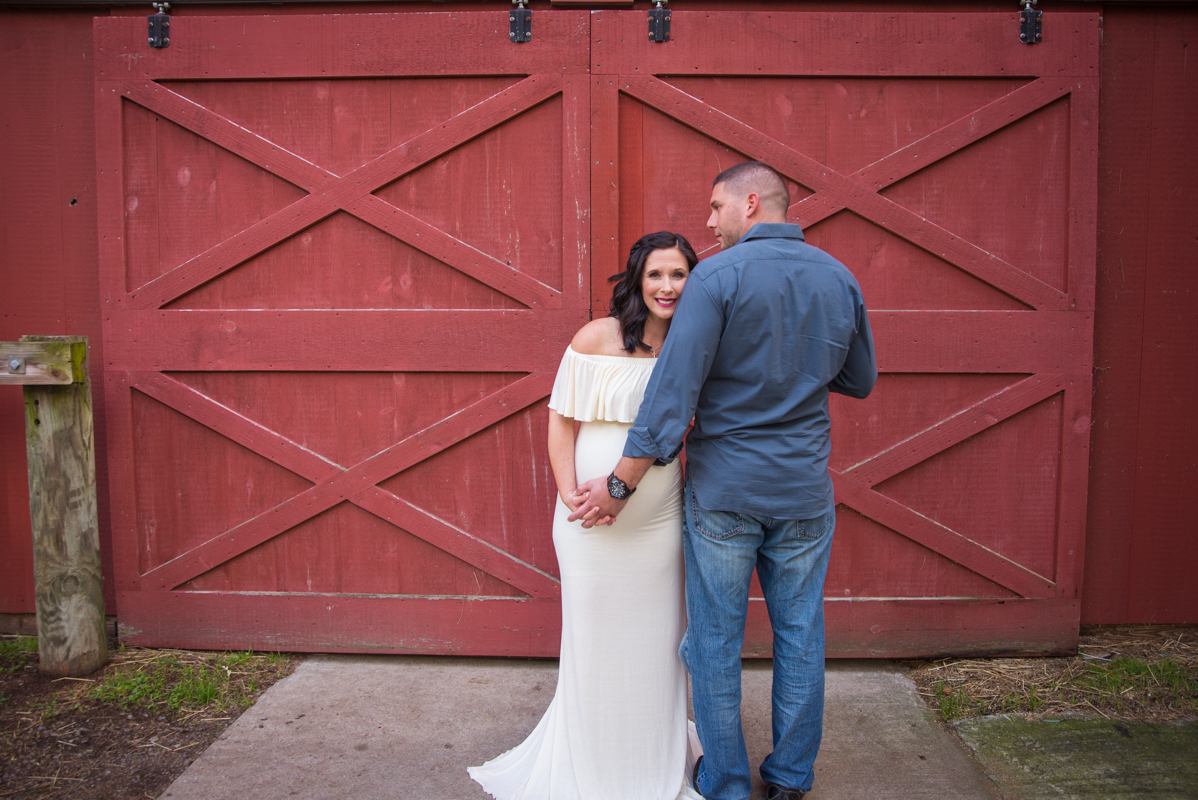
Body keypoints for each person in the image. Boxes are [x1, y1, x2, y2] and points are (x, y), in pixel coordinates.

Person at [569, 162, 877, 800]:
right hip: (803, 493)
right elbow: (859, 379)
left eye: (716, 207)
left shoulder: (717, 277)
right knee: (800, 636)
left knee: (713, 641)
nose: (709, 223)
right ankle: (790, 779)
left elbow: (672, 395)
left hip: (726, 494)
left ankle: (728, 782)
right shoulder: (838, 277)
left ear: (751, 202)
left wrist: (619, 486)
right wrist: (794, 366)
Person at [468, 231, 704, 800]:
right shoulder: (595, 338)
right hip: (586, 522)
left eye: (678, 274)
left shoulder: (695, 343)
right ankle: (590, 765)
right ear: (636, 279)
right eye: (655, 274)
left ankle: (650, 759)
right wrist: (567, 493)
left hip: (657, 521)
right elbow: (560, 419)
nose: (667, 287)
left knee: (656, 641)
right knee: (594, 639)